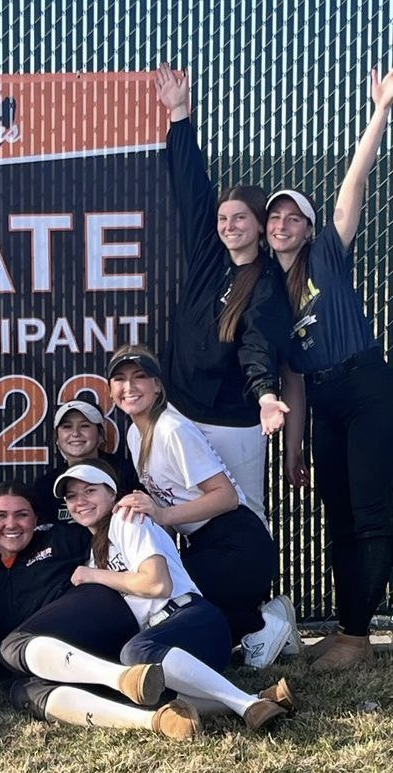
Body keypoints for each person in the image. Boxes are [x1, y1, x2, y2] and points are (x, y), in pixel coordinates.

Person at [3, 461, 293, 737]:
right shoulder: (97, 549)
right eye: (72, 496)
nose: (80, 501)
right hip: (169, 646)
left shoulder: (126, 520)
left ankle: (247, 706)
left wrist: (94, 576)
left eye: (90, 491)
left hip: (193, 621)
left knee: (136, 654)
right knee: (142, 688)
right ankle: (263, 698)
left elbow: (157, 583)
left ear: (112, 493)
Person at [265, 67, 393, 670]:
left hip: (366, 387)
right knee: (339, 516)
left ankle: (355, 632)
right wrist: (293, 450)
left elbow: (353, 185)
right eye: (275, 218)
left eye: (294, 217)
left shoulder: (327, 258)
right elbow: (292, 378)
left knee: (370, 513)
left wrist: (381, 112)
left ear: (310, 229)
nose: (283, 224)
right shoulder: (269, 294)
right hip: (323, 401)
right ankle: (352, 633)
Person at [154, 62, 303, 528]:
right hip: (179, 413)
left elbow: (258, 344)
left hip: (233, 424)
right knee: (176, 516)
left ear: (260, 225)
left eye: (239, 218)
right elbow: (192, 191)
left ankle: (256, 601)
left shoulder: (265, 283)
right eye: (224, 219)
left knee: (243, 516)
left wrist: (264, 396)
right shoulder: (206, 256)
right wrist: (179, 116)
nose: (228, 226)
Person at [106, 346, 300, 667]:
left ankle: (259, 626)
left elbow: (226, 497)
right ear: (110, 389)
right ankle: (264, 621)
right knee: (167, 591)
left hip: (239, 546)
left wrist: (163, 514)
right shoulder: (134, 435)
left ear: (157, 385)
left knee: (174, 598)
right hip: (207, 545)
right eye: (120, 379)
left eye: (140, 377)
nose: (129, 387)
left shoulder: (172, 429)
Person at [0, 482, 144, 691]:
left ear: (36, 519)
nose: (11, 524)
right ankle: (125, 681)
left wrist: (130, 505)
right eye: (0, 516)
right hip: (47, 661)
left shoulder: (61, 538)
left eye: (21, 515)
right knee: (22, 682)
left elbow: (107, 529)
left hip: (102, 634)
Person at [31, 400, 139, 524]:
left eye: (84, 425)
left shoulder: (125, 472)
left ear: (100, 434)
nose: (75, 433)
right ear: (57, 438)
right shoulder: (46, 485)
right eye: (67, 426)